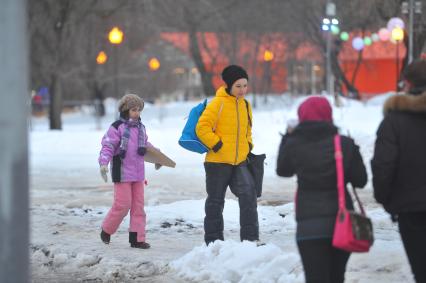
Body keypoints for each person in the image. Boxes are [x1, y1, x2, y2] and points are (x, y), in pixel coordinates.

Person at [276, 96, 367, 283]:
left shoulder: (295, 144)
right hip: (342, 223)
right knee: (337, 277)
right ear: (329, 116)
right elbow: (361, 180)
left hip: (309, 227)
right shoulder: (344, 144)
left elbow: (283, 171)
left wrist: (287, 136)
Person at [371, 59, 426, 283]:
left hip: (410, 210)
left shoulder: (394, 122)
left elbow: (384, 165)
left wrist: (387, 200)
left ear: (406, 84)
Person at [196, 65, 259, 245]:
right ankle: (214, 242)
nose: (242, 90)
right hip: (217, 162)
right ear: (230, 85)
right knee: (216, 202)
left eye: (245, 85)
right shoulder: (218, 103)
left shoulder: (246, 105)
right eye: (238, 86)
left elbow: (248, 130)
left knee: (249, 196)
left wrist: (248, 145)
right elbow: (202, 127)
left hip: (239, 161)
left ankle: (250, 240)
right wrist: (217, 144)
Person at [98, 93, 153, 249]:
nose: (137, 113)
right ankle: (107, 229)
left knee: (138, 206)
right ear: (125, 110)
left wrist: (159, 158)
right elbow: (108, 146)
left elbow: (146, 145)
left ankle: (137, 238)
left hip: (138, 174)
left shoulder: (141, 128)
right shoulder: (117, 127)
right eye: (133, 110)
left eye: (139, 110)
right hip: (122, 173)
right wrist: (103, 163)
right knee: (122, 205)